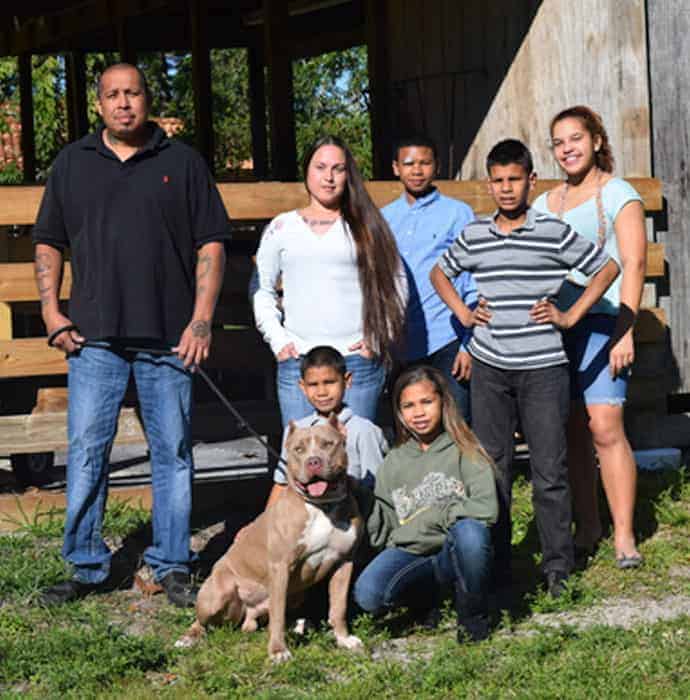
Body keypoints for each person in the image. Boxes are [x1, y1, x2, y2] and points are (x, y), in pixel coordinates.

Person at [32, 63, 231, 607]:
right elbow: (48, 241)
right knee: (88, 451)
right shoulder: (73, 163)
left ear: (148, 99)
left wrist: (201, 319)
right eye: (113, 95)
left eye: (133, 93)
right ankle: (87, 565)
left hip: (169, 338)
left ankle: (172, 564)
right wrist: (51, 311)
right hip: (92, 339)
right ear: (99, 104)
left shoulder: (182, 162)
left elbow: (211, 244)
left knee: (172, 453)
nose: (124, 103)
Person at [430, 139, 619, 596]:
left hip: (544, 369)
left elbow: (607, 267)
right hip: (491, 368)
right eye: (498, 181)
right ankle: (496, 569)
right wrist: (462, 312)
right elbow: (440, 272)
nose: (506, 189)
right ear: (489, 184)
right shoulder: (476, 234)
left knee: (548, 470)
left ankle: (558, 568)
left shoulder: (551, 232)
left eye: (515, 179)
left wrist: (570, 316)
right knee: (493, 469)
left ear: (531, 181)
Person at [532, 106, 647, 568]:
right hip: (558, 326)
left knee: (604, 426)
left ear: (597, 140)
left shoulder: (618, 193)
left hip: (604, 322)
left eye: (576, 138)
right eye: (559, 143)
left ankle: (624, 535)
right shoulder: (545, 203)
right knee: (572, 431)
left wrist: (625, 331)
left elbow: (634, 264)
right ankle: (588, 525)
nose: (568, 149)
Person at [253, 135, 406, 426]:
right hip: (299, 360)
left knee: (357, 459)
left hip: (357, 361)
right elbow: (263, 289)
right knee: (302, 463)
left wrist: (378, 337)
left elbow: (396, 283)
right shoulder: (283, 227)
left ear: (348, 174)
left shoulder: (368, 225)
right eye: (321, 167)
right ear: (307, 172)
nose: (329, 177)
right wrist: (278, 340)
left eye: (338, 168)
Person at [352, 366, 497, 643]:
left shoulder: (465, 449)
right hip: (411, 553)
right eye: (408, 406)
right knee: (368, 595)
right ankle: (426, 599)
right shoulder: (393, 461)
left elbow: (485, 508)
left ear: (443, 402)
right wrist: (360, 498)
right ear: (399, 412)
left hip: (453, 549)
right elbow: (385, 529)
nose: (418, 413)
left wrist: (435, 517)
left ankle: (473, 616)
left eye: (426, 402)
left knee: (471, 534)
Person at [382, 135, 477, 421]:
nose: (417, 170)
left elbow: (474, 279)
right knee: (409, 426)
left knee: (457, 423)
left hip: (448, 336)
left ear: (436, 167)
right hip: (401, 340)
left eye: (425, 163)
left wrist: (469, 343)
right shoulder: (384, 218)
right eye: (409, 163)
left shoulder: (458, 213)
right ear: (396, 168)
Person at [262, 345, 388, 511]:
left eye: (329, 382)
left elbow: (378, 489)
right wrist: (263, 523)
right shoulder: (296, 430)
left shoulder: (364, 430)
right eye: (313, 384)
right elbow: (281, 483)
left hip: (354, 517)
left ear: (347, 380)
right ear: (302, 387)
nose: (322, 392)